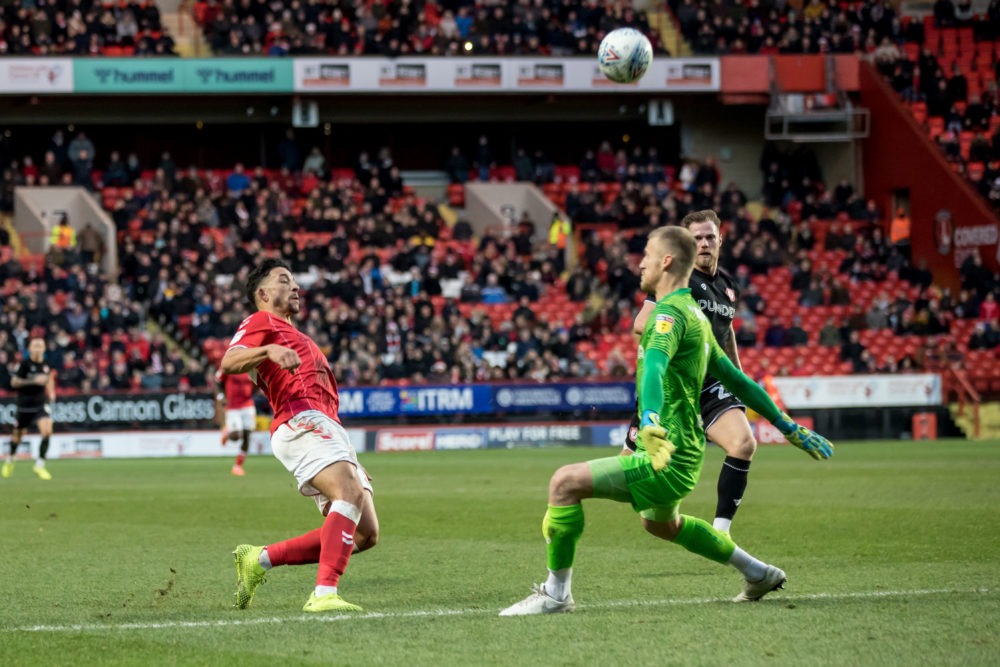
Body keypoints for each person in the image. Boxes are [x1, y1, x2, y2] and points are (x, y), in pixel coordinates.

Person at [499, 227, 833, 616]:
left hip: (665, 452)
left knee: (563, 484)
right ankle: (758, 573)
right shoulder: (695, 314)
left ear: (666, 261)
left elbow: (655, 368)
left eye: (646, 255)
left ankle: (556, 595)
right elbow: (739, 381)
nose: (641, 263)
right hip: (683, 450)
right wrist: (788, 426)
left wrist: (651, 419)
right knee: (661, 525)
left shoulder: (669, 315)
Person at [624, 210, 819, 536]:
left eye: (709, 237)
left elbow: (726, 334)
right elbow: (641, 323)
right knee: (639, 493)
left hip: (712, 384)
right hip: (676, 386)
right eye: (696, 238)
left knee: (743, 443)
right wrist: (689, 336)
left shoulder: (728, 287)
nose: (703, 243)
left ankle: (721, 531)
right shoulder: (677, 278)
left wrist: (738, 376)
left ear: (720, 239)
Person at [221, 258, 378, 613]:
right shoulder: (261, 321)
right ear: (262, 294)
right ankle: (324, 593)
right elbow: (229, 362)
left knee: (365, 533)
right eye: (283, 280)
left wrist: (346, 457)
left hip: (325, 426)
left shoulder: (296, 335)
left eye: (294, 281)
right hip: (299, 419)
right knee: (348, 493)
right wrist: (268, 350)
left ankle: (258, 560)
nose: (295, 287)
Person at [2, 336, 56, 480]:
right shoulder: (24, 364)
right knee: (17, 437)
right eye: (35, 346)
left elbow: (49, 377)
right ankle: (10, 459)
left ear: (44, 349)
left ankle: (39, 465)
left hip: (40, 404)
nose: (38, 348)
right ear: (30, 348)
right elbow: (14, 382)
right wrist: (33, 380)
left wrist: (51, 392)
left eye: (40, 346)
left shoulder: (46, 364)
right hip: (25, 406)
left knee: (47, 431)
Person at [214, 366, 257, 476]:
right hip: (233, 407)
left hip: (248, 405)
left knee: (247, 436)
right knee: (237, 435)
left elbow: (258, 383)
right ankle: (227, 434)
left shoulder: (251, 367)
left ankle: (237, 466)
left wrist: (253, 392)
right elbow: (217, 380)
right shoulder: (229, 365)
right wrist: (221, 396)